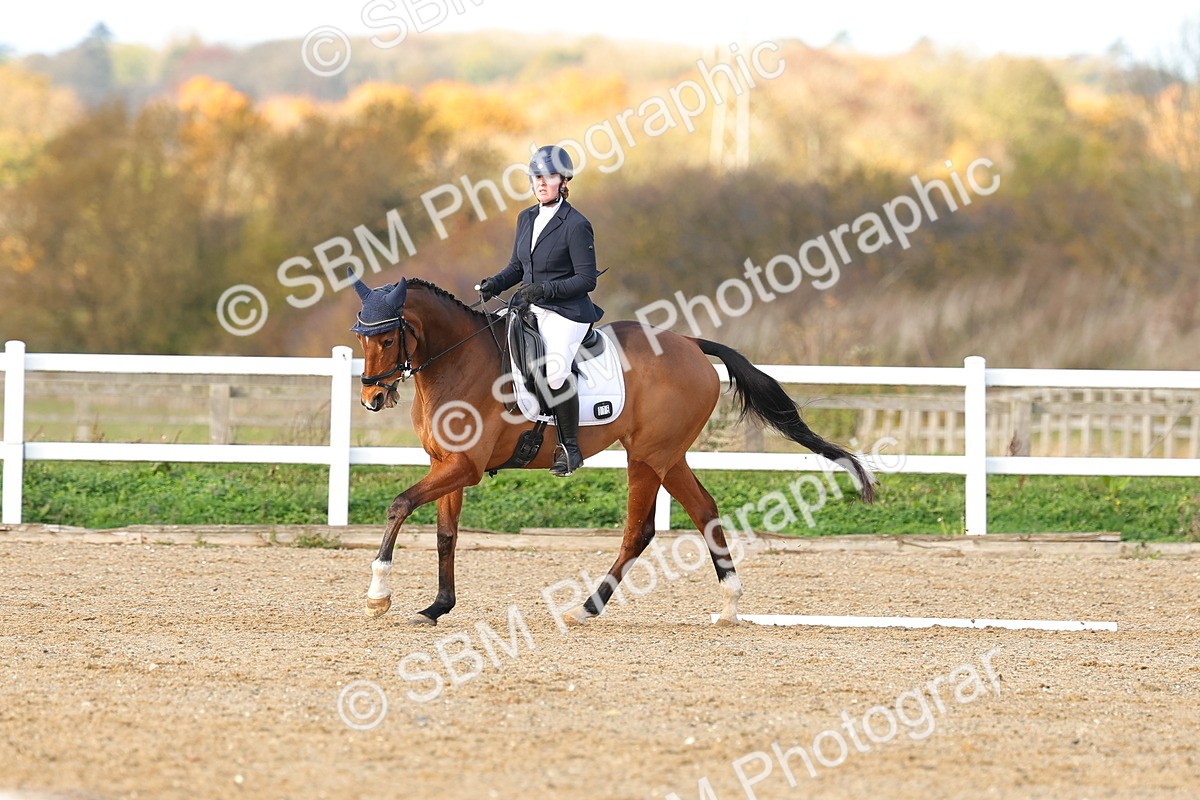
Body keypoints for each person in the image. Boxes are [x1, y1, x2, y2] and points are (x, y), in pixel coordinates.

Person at [478, 144, 603, 477]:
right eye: (536, 177)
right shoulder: (526, 218)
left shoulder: (576, 224)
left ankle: (571, 449)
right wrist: (495, 283)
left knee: (556, 371)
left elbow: (586, 279)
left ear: (563, 181)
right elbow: (518, 267)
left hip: (567, 312)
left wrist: (545, 289)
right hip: (530, 307)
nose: (541, 183)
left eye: (549, 177)